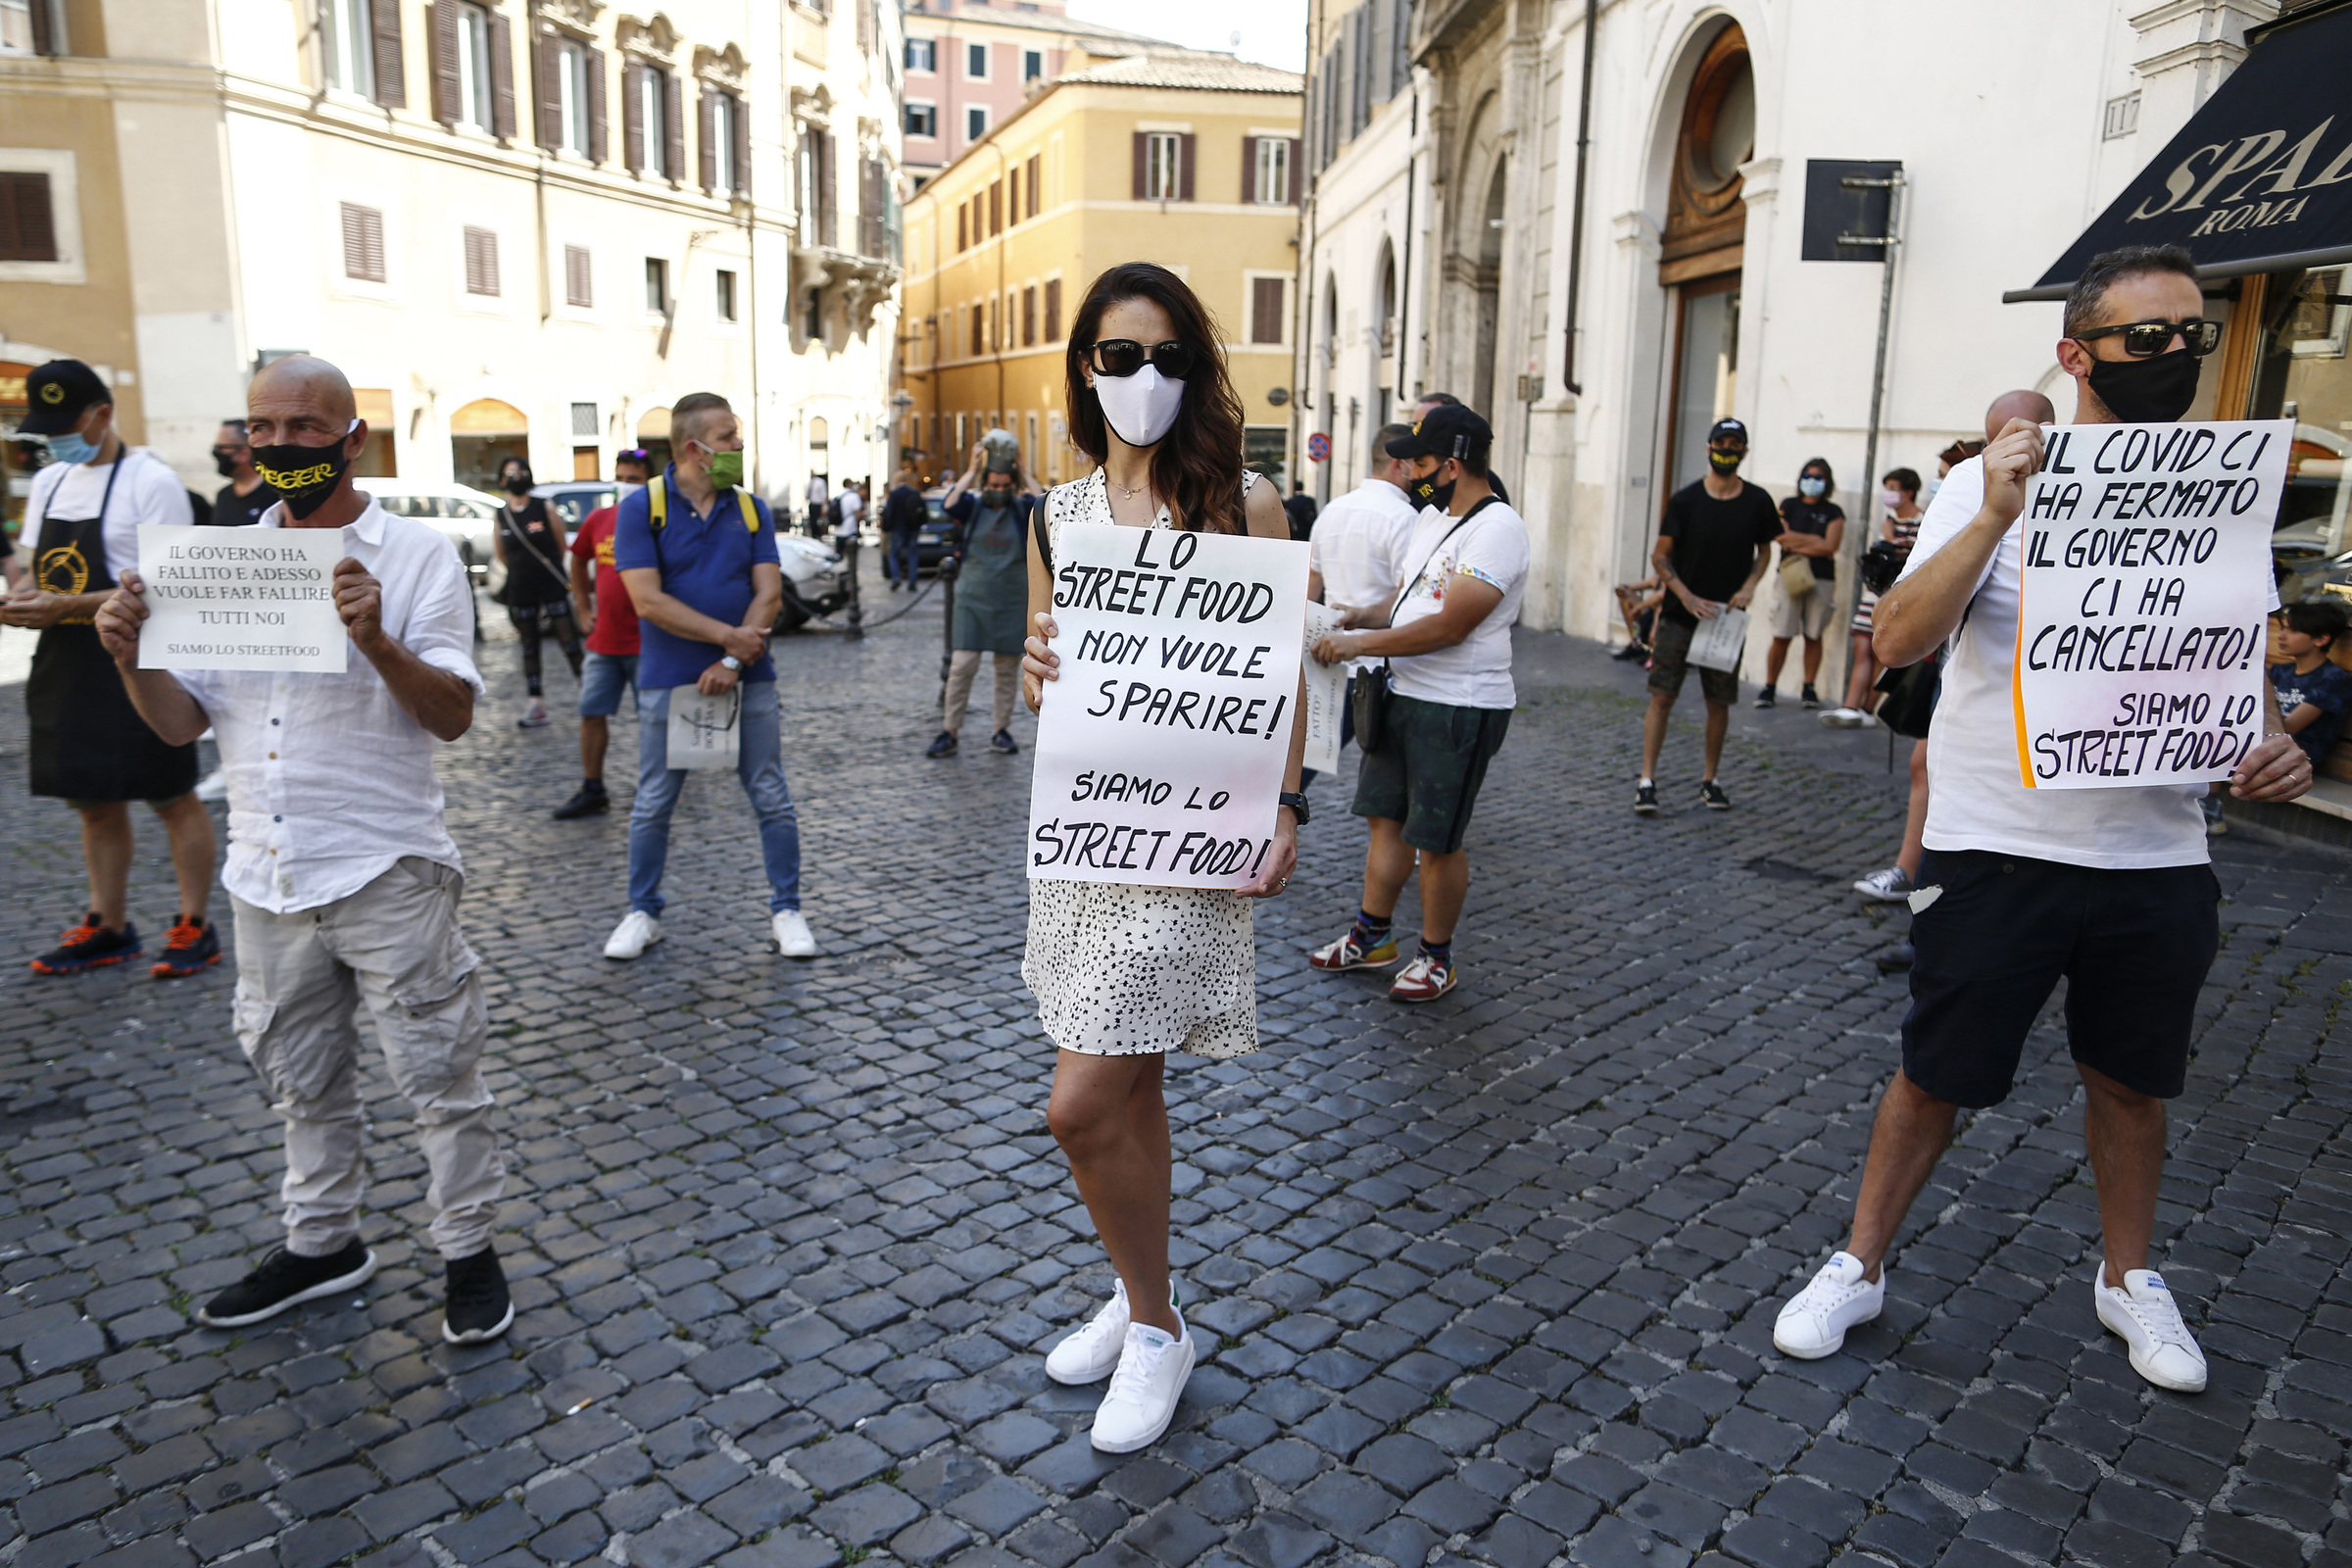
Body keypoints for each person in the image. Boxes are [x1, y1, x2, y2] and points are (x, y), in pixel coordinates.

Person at [1769, 244, 2314, 1394]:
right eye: (2148, 337)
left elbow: (2235, 672)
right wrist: (1992, 517)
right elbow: (1901, 641)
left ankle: (2128, 1278)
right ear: (2079, 354)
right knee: (1937, 1071)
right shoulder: (1986, 482)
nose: (2177, 354)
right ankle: (1859, 1262)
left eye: (2192, 335)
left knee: (2133, 1080)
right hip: (1997, 845)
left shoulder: (2218, 488)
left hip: (2156, 850)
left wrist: (2270, 746)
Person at [94, 354, 513, 1343]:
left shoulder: (415, 556)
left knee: (439, 1073)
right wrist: (126, 658)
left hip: (386, 862)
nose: (280, 446)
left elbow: (450, 716)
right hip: (266, 868)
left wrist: (378, 642)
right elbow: (174, 726)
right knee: (300, 1076)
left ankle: (468, 1249)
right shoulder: (220, 561)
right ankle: (323, 1242)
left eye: (305, 429)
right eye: (264, 430)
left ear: (350, 440)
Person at [1021, 262, 1302, 1453]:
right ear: (1088, 365)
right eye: (1123, 356)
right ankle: (1142, 1287)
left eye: (1170, 357)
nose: (1147, 378)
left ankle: (1156, 1326)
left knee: (1078, 1110)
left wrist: (1288, 804)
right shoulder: (1055, 516)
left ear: (1196, 371)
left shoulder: (1248, 505)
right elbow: (1056, 691)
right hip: (1091, 843)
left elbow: (1284, 673)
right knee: (1132, 1091)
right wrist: (1040, 678)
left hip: (1193, 851)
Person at [1, 360, 220, 979]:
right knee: (92, 801)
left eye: (65, 425)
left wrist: (63, 605)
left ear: (102, 414)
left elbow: (173, 587)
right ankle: (110, 924)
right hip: (65, 662)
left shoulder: (152, 482)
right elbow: (30, 565)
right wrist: (16, 596)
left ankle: (194, 924)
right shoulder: (48, 481)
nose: (56, 440)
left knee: (171, 796)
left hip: (139, 654)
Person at [1306, 405, 1529, 1003]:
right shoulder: (1431, 518)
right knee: (1386, 820)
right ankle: (1372, 936)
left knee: (1437, 837)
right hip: (1403, 693)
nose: (1410, 470)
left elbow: (1451, 626)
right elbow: (1412, 606)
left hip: (1459, 705)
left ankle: (1437, 956)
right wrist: (1363, 615)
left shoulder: (1499, 528)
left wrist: (1361, 641)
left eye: (1421, 461)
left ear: (1452, 464)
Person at [604, 393, 814, 961]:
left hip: (748, 677)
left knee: (771, 795)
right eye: (728, 437)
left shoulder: (750, 508)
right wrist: (727, 639)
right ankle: (642, 911)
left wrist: (731, 661)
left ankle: (786, 909)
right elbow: (646, 601)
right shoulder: (640, 509)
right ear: (694, 449)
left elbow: (769, 593)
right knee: (654, 803)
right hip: (669, 680)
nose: (738, 446)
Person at [1853, 399, 2043, 922]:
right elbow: (1894, 634)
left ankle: (1915, 892)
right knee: (1924, 767)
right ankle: (1916, 895)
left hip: (1985, 703)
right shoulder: (1974, 487)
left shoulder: (2017, 487)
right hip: (1946, 666)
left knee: (1925, 769)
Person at [1636, 417, 1776, 814]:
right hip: (1681, 615)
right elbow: (1660, 556)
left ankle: (1710, 780)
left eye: (1734, 444)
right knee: (1662, 697)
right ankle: (1646, 779)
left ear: (1744, 451)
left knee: (1719, 702)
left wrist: (1750, 586)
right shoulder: (1685, 501)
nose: (1727, 450)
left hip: (1725, 622)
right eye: (1721, 443)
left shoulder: (1758, 502)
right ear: (1708, 447)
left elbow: (1766, 551)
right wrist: (1683, 594)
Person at [1302, 424, 1418, 773]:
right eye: (1418, 463)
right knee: (1388, 770)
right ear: (1400, 464)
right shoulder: (1406, 519)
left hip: (1328, 657)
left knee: (1304, 763)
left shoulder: (1333, 510)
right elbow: (1409, 596)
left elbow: (1311, 582)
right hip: (1381, 666)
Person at [554, 451, 653, 819]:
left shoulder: (659, 520)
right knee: (591, 712)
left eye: (634, 479)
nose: (625, 485)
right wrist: (583, 606)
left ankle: (657, 784)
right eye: (621, 477)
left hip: (648, 640)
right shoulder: (599, 519)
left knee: (653, 717)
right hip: (604, 639)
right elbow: (578, 559)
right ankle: (592, 787)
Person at [929, 441, 1041, 758]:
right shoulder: (973, 506)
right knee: (962, 666)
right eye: (994, 485)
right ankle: (949, 730)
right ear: (986, 484)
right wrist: (972, 470)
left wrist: (1024, 470)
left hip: (1010, 600)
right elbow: (950, 504)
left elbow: (1045, 502)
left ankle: (1000, 730)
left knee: (1007, 669)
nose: (1000, 490)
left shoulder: (1021, 510)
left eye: (1005, 485)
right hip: (973, 598)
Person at [1820, 467, 1927, 727]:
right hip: (1874, 593)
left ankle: (1868, 708)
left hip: (1898, 595)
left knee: (1883, 652)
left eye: (1893, 487)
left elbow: (1915, 556)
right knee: (1861, 646)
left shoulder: (1921, 520)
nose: (1888, 494)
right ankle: (1851, 705)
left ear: (1908, 492)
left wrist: (1890, 540)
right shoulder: (1888, 519)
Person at [490, 458, 582, 729]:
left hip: (550, 583)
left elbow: (560, 543)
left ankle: (587, 689)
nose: (516, 477)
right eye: (509, 473)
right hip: (521, 587)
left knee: (569, 639)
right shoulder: (502, 515)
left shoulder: (544, 507)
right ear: (502, 479)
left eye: (520, 472)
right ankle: (535, 703)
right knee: (529, 645)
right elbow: (501, 554)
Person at [1755, 458, 1842, 710]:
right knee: (1782, 633)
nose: (1812, 481)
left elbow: (1831, 546)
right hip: (1790, 575)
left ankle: (1809, 687)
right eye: (1808, 476)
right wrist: (1815, 540)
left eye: (1818, 477)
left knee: (1813, 634)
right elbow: (1781, 536)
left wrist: (1799, 541)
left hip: (1822, 578)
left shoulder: (1834, 512)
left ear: (1826, 482)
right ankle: (1769, 687)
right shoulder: (1788, 505)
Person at [2269, 600, 2352, 772]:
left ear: (2321, 639)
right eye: (2282, 628)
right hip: (2267, 746)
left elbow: (2289, 727)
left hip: (2297, 756)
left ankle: (2211, 797)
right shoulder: (2280, 671)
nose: (2281, 635)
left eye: (2293, 631)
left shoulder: (2333, 679)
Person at [1412, 393, 1510, 507]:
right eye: (1414, 425)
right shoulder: (1432, 513)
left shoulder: (1484, 482)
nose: (1414, 475)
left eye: (1424, 425)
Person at [210, 418, 275, 529]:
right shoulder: (224, 496)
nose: (216, 453)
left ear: (245, 452)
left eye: (222, 448)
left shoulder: (275, 495)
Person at [881, 466, 927, 589]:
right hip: (912, 529)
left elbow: (889, 513)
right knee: (912, 555)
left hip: (898, 529)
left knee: (894, 554)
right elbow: (923, 511)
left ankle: (896, 577)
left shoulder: (894, 495)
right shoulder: (914, 493)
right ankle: (912, 581)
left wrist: (886, 528)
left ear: (896, 480)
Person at [1611, 573, 1664, 661]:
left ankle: (1652, 651)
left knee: (1659, 606)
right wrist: (1622, 589)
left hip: (1664, 618)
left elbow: (1660, 596)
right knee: (1625, 595)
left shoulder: (1673, 580)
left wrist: (1639, 607)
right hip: (1653, 615)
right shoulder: (1657, 579)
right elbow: (1632, 587)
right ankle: (1635, 644)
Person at [806, 470, 829, 538]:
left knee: (818, 521)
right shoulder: (810, 483)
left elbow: (824, 495)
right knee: (812, 521)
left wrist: (824, 506)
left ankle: (819, 535)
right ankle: (814, 534)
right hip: (812, 503)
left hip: (818, 503)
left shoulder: (820, 482)